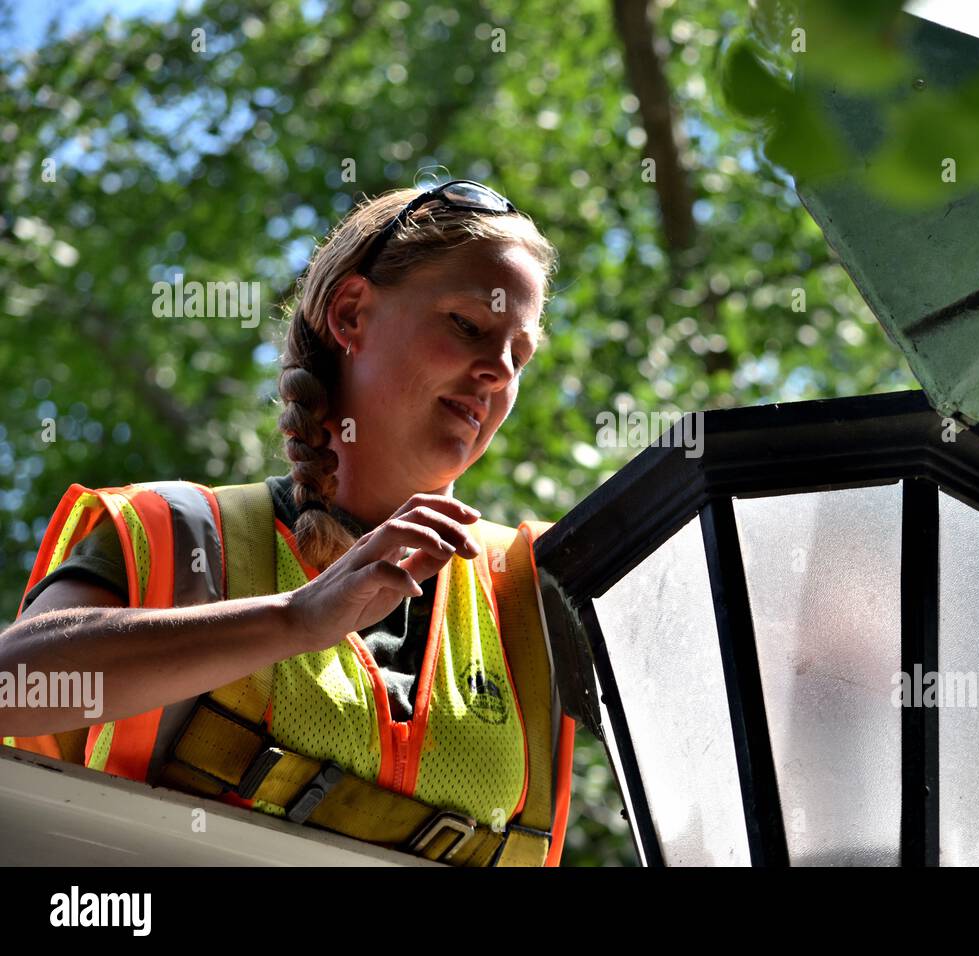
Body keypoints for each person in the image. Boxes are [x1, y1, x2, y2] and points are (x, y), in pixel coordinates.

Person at [0, 180, 576, 867]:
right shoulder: (177, 536)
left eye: (520, 354)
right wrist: (295, 619)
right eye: (468, 326)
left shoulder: (540, 594)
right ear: (352, 313)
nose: (496, 372)